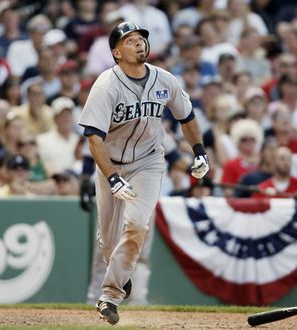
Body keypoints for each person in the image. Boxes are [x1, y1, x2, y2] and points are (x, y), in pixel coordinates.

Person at [77, 22, 209, 325]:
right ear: (116, 52)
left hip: (148, 162)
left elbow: (186, 116)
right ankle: (120, 274)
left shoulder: (165, 80)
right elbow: (94, 138)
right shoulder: (106, 84)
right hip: (110, 164)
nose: (139, 44)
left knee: (137, 224)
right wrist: (111, 176)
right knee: (109, 244)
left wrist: (199, 150)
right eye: (130, 40)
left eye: (141, 39)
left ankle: (109, 296)